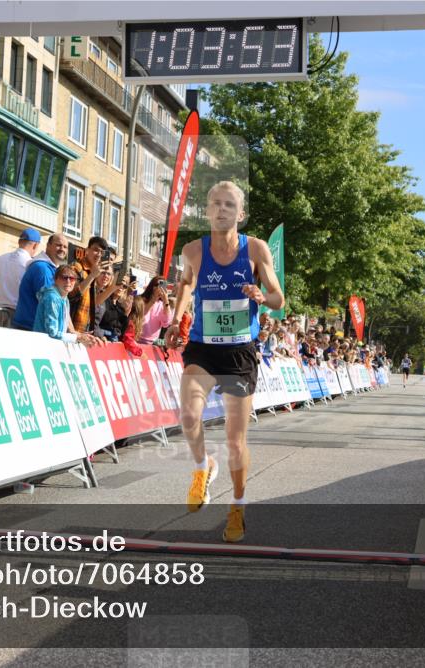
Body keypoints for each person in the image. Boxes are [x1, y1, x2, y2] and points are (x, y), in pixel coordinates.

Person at [165, 181, 284, 543]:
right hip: (203, 346)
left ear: (240, 214)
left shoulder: (257, 249)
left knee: (235, 440)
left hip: (239, 352)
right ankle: (202, 468)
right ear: (207, 210)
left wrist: (261, 295)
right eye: (215, 204)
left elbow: (278, 298)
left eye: (229, 205)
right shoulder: (192, 250)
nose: (221, 210)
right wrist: (176, 318)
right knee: (188, 415)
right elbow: (185, 284)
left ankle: (237, 505)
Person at [32, 264, 101, 346]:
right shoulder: (52, 298)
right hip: (41, 345)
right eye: (64, 278)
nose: (68, 281)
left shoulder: (64, 298)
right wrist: (77, 338)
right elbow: (52, 332)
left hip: (52, 345)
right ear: (55, 279)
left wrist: (81, 335)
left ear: (75, 281)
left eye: (72, 278)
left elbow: (69, 328)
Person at [13, 233, 68, 330]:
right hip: (30, 330)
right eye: (58, 245)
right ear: (48, 245)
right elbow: (51, 304)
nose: (62, 249)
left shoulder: (52, 268)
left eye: (65, 247)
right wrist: (72, 333)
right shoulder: (42, 269)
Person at [0, 228, 41, 327]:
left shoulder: (1, 258)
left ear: (19, 241)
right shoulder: (30, 264)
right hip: (18, 315)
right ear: (35, 245)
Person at [69, 236, 119, 333]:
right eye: (96, 250)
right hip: (72, 331)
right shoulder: (76, 267)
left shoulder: (94, 271)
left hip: (85, 332)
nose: (99, 254)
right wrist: (92, 276)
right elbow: (71, 295)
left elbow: (95, 303)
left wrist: (113, 287)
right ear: (87, 250)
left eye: (102, 252)